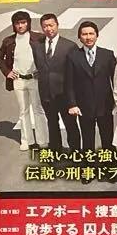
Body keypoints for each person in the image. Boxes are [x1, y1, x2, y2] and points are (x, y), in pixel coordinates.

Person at [0, 10, 45, 150]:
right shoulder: (8, 41)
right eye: (17, 23)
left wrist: (42, 71)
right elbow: (0, 58)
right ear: (14, 25)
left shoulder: (39, 38)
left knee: (38, 110)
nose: (20, 26)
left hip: (35, 79)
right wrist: (7, 72)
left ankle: (42, 140)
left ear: (28, 23)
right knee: (23, 111)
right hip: (18, 80)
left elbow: (47, 55)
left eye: (23, 22)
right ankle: (26, 141)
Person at [65, 21, 117, 150]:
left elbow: (116, 80)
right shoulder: (73, 56)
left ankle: (109, 161)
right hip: (84, 106)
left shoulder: (107, 55)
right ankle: (89, 161)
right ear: (79, 37)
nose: (88, 37)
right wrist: (72, 104)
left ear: (97, 35)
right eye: (84, 34)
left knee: (108, 139)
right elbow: (69, 83)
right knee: (87, 140)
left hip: (105, 105)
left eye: (91, 33)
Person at [36, 13, 79, 151]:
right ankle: (55, 149)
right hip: (46, 94)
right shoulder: (37, 46)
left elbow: (76, 72)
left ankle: (75, 151)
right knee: (52, 123)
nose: (48, 29)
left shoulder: (70, 46)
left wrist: (74, 98)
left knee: (70, 125)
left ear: (57, 25)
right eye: (45, 26)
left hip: (64, 94)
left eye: (51, 25)